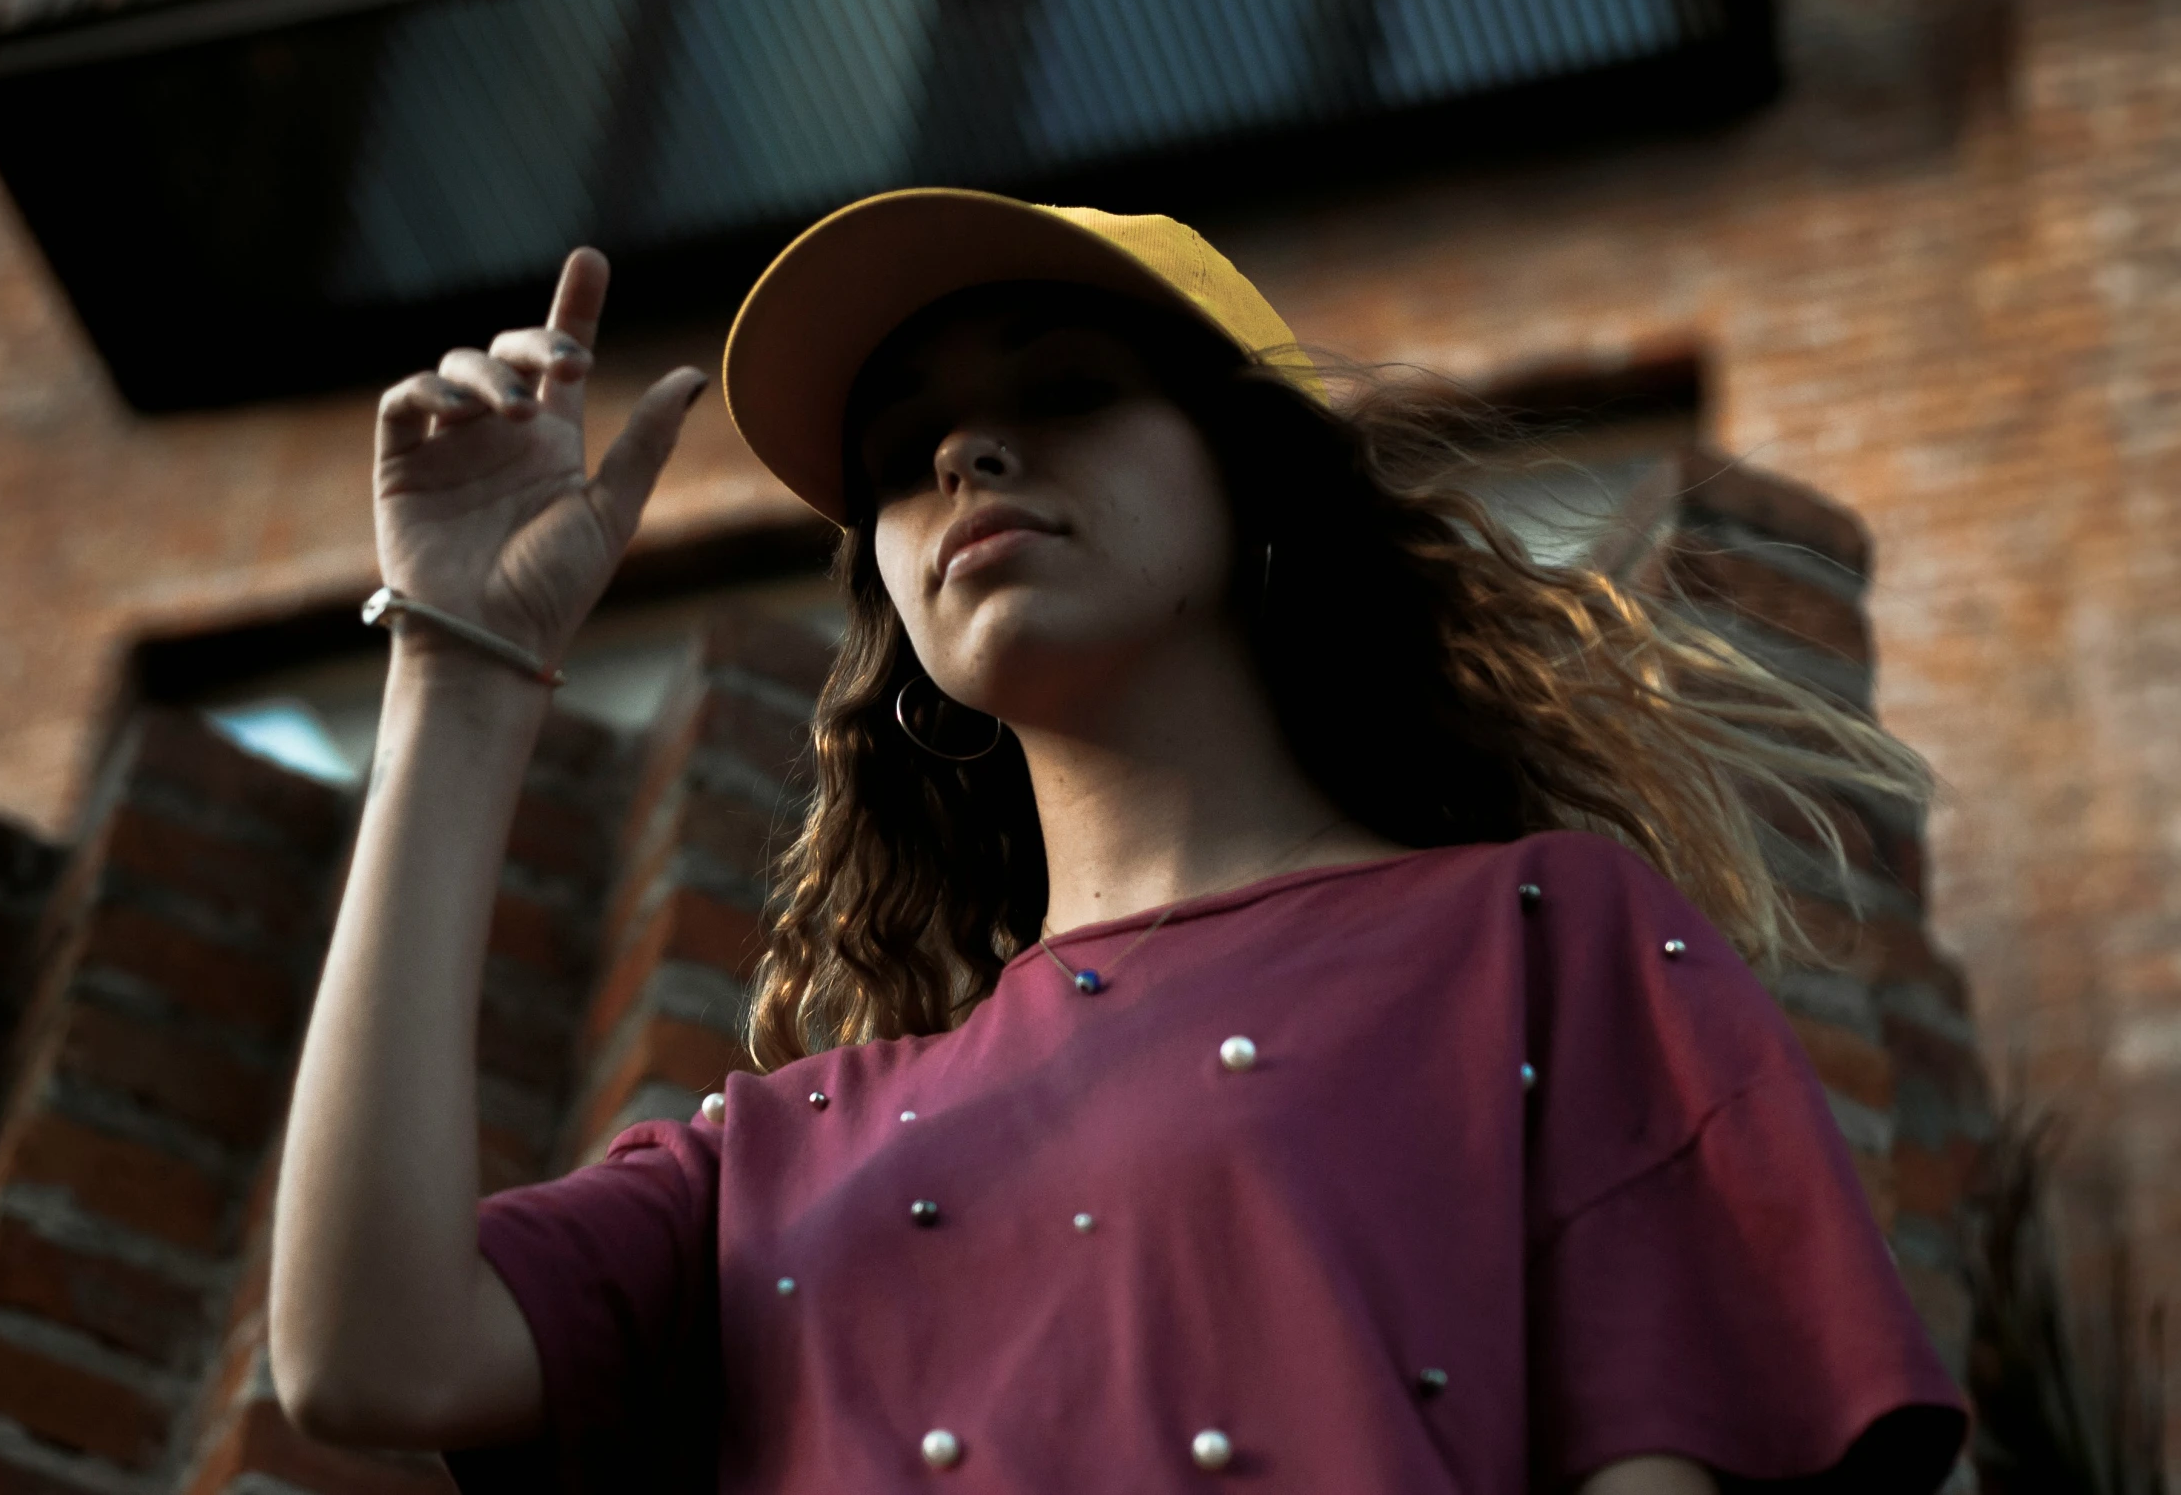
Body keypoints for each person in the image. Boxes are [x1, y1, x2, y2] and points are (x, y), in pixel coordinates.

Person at [271, 189, 1969, 1492]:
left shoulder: (1543, 938)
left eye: (1067, 388)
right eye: (899, 460)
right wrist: (458, 658)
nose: (965, 451)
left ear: (1257, 490)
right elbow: (370, 1355)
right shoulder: (775, 1159)